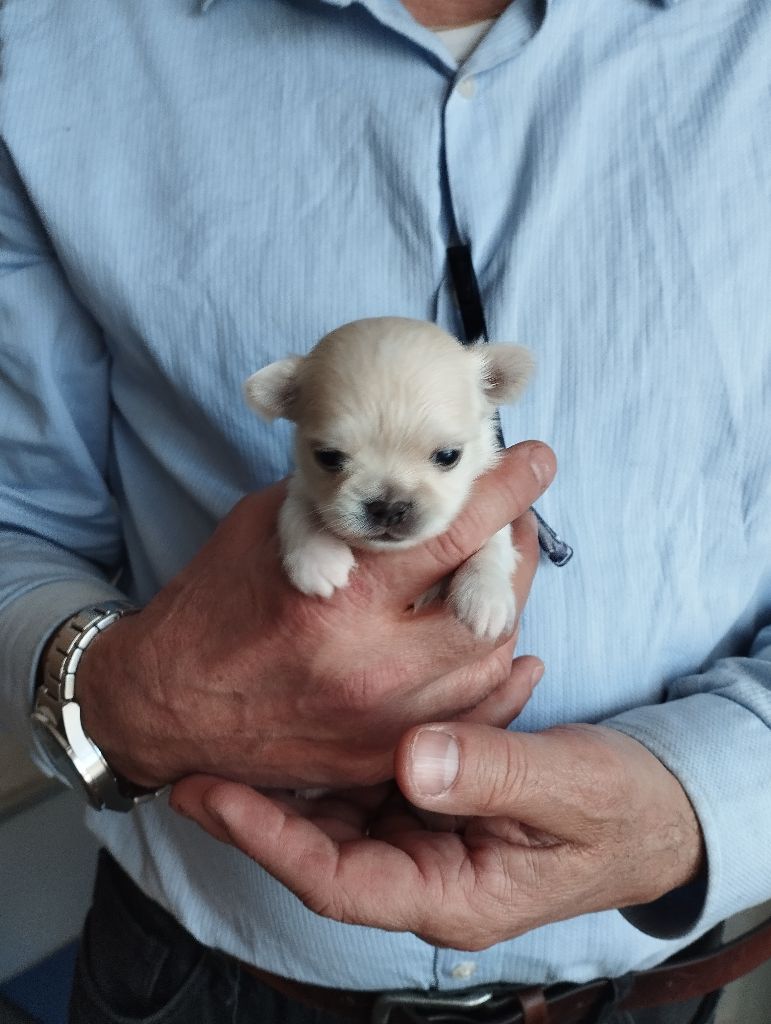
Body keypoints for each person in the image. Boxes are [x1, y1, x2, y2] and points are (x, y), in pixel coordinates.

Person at [0, 1, 769, 1022]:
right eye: (334, 458)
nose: (395, 505)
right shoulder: (49, 38)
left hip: (644, 975)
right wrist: (122, 696)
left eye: (441, 457)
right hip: (210, 962)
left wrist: (702, 800)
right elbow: (19, 519)